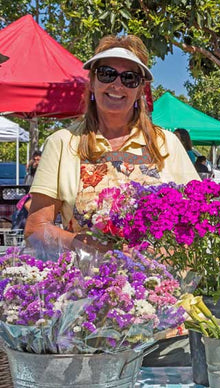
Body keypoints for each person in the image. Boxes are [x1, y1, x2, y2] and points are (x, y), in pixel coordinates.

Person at [25, 35, 199, 253]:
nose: (117, 85)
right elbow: (35, 229)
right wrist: (81, 245)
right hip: (88, 283)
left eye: (129, 78)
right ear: (92, 82)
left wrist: (169, 253)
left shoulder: (166, 144)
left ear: (140, 90)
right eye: (107, 74)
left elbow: (197, 215)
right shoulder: (62, 143)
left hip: (159, 281)